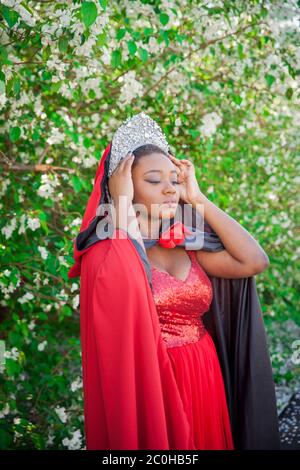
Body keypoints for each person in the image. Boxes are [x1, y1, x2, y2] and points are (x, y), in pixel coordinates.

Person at [68, 112, 280, 450]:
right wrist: (120, 204)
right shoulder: (105, 255)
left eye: (174, 179)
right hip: (154, 383)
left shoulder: (188, 243)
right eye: (154, 180)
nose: (169, 188)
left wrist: (198, 199)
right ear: (123, 185)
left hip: (204, 372)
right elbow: (125, 296)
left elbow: (254, 260)